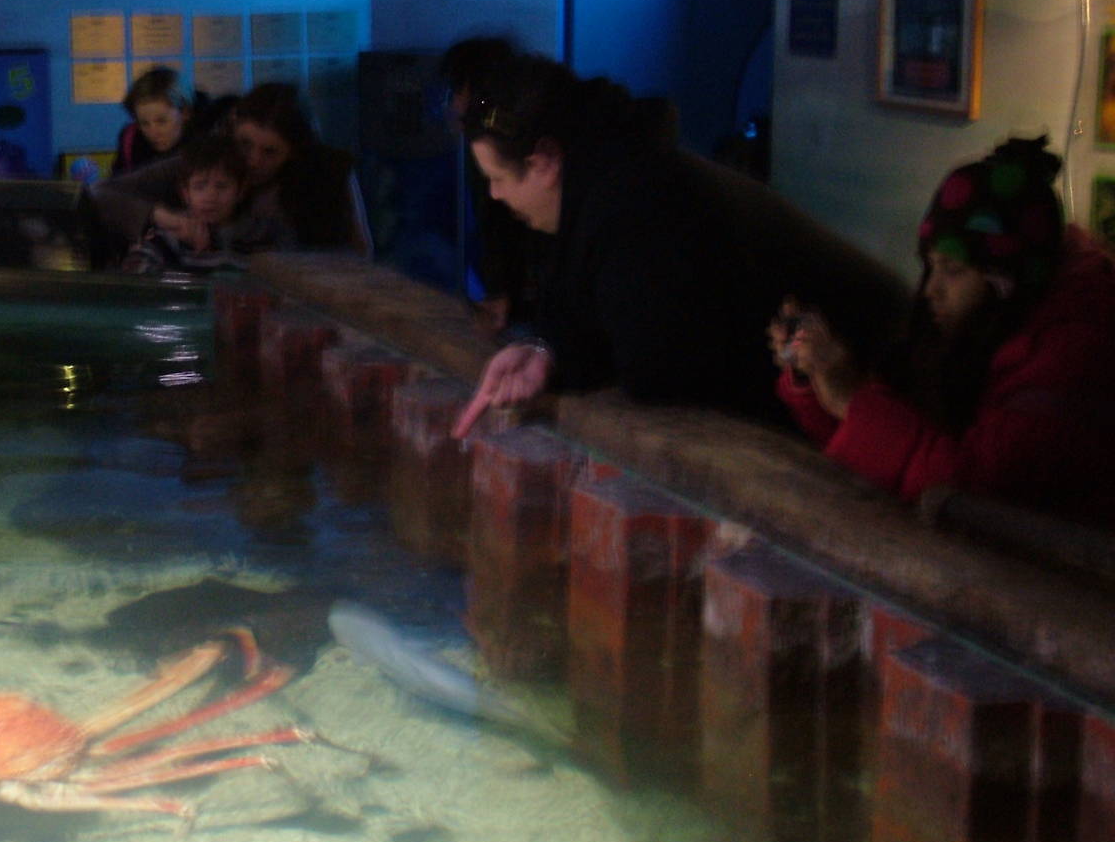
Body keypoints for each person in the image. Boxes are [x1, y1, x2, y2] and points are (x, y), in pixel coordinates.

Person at [451, 55, 908, 439]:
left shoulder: (636, 203)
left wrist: (566, 355)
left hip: (886, 382)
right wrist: (546, 352)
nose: (494, 196)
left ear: (545, 162)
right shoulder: (601, 175)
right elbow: (591, 315)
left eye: (498, 179)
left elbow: (654, 370)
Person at [772, 136, 1115, 525]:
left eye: (952, 271)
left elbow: (966, 492)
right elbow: (889, 448)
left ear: (1006, 281)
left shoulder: (1069, 361)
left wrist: (849, 398)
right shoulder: (970, 336)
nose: (931, 289)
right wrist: (815, 373)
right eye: (929, 265)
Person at [91, 81, 372, 264]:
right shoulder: (210, 160)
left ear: (296, 151)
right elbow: (99, 194)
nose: (252, 160)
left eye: (270, 152)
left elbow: (361, 254)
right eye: (245, 144)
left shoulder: (328, 172)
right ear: (233, 127)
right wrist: (164, 216)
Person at [438, 35, 543, 334]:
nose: (453, 101)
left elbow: (504, 227)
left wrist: (509, 294)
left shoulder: (505, 144)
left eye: (458, 89)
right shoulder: (486, 145)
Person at [120, 133, 290, 274]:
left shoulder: (261, 234)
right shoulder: (170, 235)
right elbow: (135, 273)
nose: (210, 196)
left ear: (240, 191)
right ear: (186, 193)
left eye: (221, 186)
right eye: (200, 186)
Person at [112, 66, 195, 175]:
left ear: (185, 113)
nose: (153, 133)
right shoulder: (131, 141)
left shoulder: (208, 144)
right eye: (144, 123)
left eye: (161, 121)